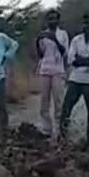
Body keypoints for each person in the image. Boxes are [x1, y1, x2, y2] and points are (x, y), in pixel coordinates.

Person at [59, 13, 89, 145]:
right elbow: (70, 59)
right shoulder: (76, 40)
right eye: (84, 23)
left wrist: (81, 60)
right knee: (66, 107)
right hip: (75, 78)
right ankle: (62, 135)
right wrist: (86, 60)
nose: (86, 25)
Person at [35, 9, 70, 138]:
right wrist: (38, 41)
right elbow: (40, 54)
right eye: (50, 19)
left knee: (58, 102)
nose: (52, 21)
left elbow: (65, 53)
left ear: (58, 20)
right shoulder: (43, 35)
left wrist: (54, 39)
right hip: (45, 69)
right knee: (44, 102)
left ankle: (61, 130)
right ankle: (47, 130)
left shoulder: (63, 34)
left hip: (58, 70)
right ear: (47, 20)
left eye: (55, 18)